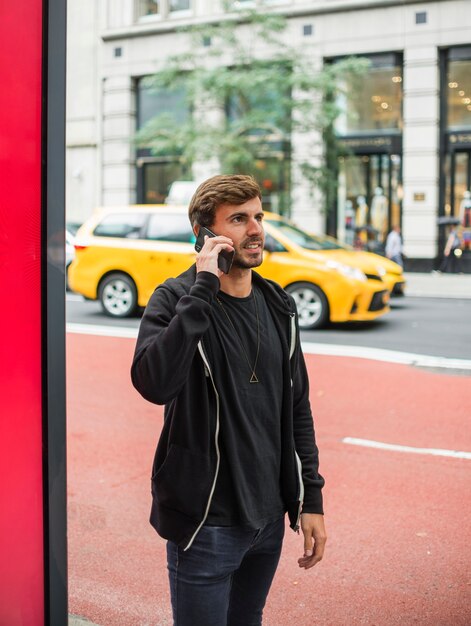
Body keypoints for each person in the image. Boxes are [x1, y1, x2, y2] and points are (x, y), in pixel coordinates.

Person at [131, 174, 326, 626]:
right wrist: (203, 286)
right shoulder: (176, 298)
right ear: (205, 235)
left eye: (258, 216)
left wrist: (310, 498)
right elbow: (153, 383)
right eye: (239, 219)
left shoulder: (278, 304)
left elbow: (298, 408)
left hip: (268, 520)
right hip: (206, 524)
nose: (256, 229)